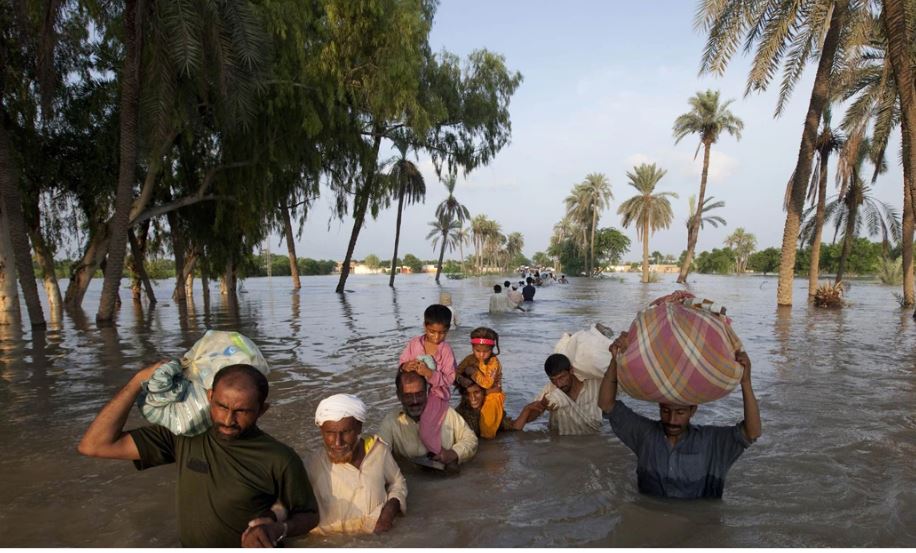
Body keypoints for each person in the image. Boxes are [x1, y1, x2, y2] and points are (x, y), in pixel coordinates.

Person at [77, 363, 318, 547]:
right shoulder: (183, 436)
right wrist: (137, 381)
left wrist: (279, 529)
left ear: (262, 410)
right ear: (209, 396)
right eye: (222, 406)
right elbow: (94, 445)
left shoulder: (279, 458)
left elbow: (309, 514)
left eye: (241, 411)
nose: (228, 420)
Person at [598, 332, 762, 499]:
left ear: (693, 411)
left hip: (697, 523)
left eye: (680, 412)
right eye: (666, 411)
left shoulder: (712, 442)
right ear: (659, 407)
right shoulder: (645, 435)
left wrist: (746, 382)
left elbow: (752, 432)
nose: (672, 420)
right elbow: (607, 404)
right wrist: (614, 360)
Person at [306, 394, 407, 535]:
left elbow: (397, 482)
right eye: (330, 433)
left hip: (375, 538)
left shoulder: (378, 452)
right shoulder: (312, 464)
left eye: (346, 432)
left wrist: (389, 511)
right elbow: (288, 505)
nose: (337, 442)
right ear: (321, 431)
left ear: (359, 427)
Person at [377, 371, 478, 469]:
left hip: (447, 479)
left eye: (419, 394)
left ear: (427, 392)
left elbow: (471, 439)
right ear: (399, 395)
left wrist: (454, 453)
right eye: (408, 396)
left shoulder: (445, 412)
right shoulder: (391, 421)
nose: (415, 401)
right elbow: (378, 454)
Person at [398, 304, 457, 458]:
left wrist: (431, 374)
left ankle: (440, 453)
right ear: (425, 326)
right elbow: (402, 362)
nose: (437, 337)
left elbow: (450, 378)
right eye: (432, 332)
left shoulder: (446, 350)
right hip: (416, 392)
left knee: (426, 430)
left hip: (436, 394)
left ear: (448, 330)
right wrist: (405, 366)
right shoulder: (414, 344)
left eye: (442, 333)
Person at [512, 353, 603, 435]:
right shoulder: (550, 389)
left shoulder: (595, 385)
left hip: (591, 438)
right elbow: (526, 420)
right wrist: (537, 406)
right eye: (553, 380)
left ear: (571, 370)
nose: (558, 384)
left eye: (562, 377)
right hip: (560, 443)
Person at [455, 327, 506, 439]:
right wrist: (460, 379)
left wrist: (473, 372)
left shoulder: (494, 362)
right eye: (478, 351)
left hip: (492, 396)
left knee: (486, 430)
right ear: (472, 347)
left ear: (492, 349)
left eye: (486, 351)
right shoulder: (470, 358)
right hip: (475, 392)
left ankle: (488, 447)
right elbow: (456, 371)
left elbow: (487, 384)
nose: (481, 355)